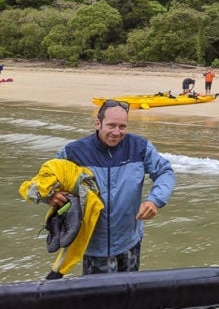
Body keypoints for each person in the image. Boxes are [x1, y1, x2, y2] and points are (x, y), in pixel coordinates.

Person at [45, 100, 175, 274]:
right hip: (94, 246)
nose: (116, 132)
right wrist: (50, 195)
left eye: (122, 126)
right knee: (99, 300)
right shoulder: (73, 152)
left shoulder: (140, 147)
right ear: (98, 124)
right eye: (111, 125)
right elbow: (45, 181)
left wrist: (155, 200)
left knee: (129, 297)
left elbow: (165, 171)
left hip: (129, 242)